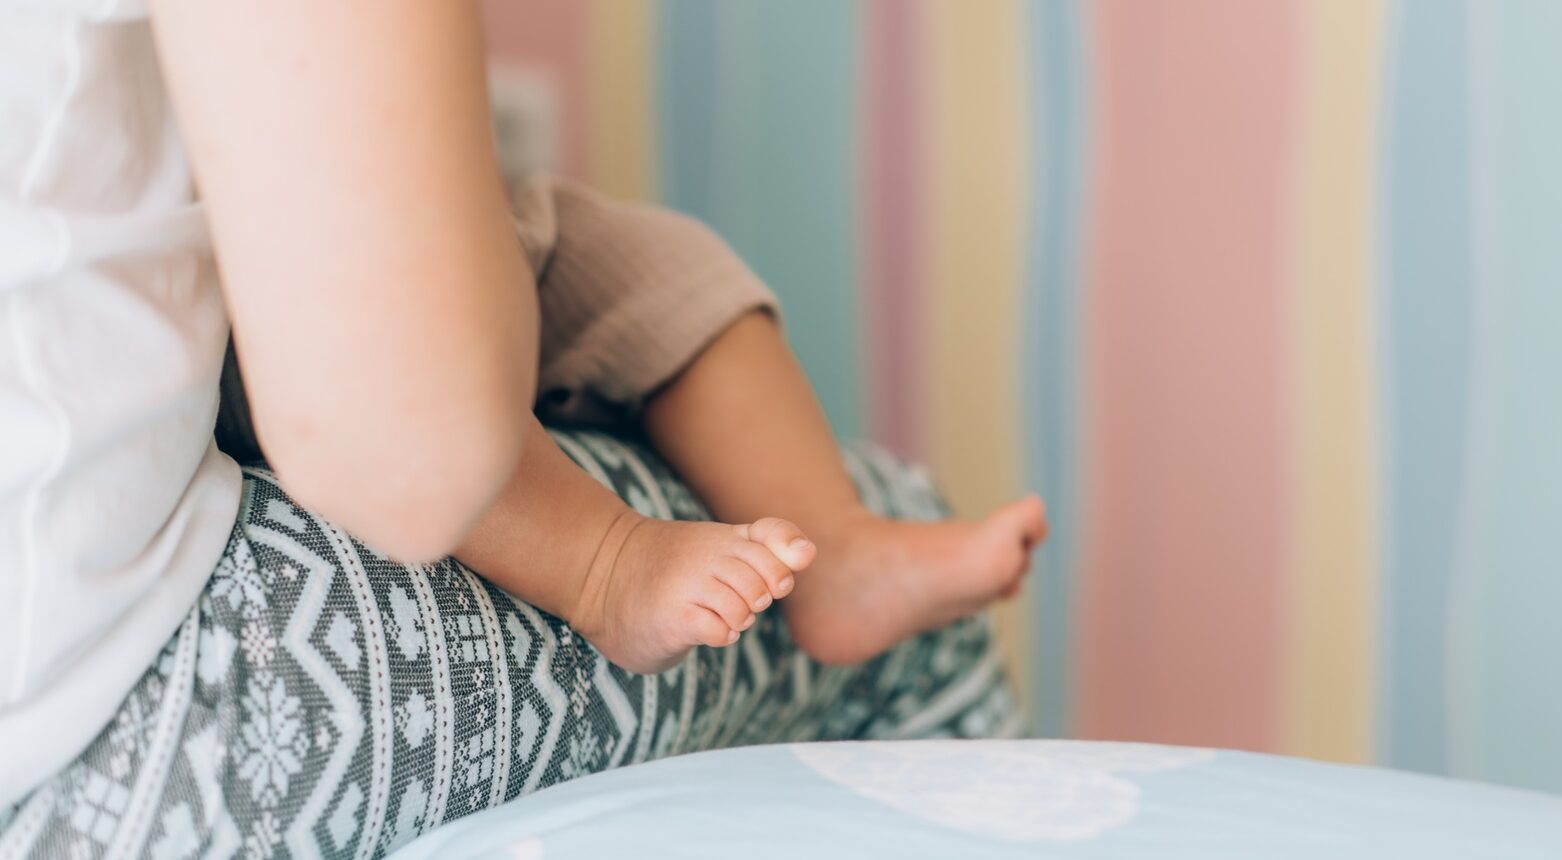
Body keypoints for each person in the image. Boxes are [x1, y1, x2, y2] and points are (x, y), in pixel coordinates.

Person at [0, 1, 1045, 856]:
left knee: (591, 265)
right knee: (914, 585)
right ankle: (644, 561)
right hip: (95, 716)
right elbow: (397, 437)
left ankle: (833, 555)